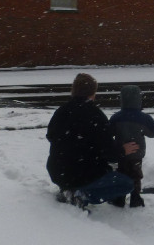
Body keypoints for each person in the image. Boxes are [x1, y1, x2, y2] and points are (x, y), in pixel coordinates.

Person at [46, 73, 138, 210]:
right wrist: (123, 150)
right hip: (82, 173)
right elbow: (108, 152)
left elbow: (50, 136)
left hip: (57, 170)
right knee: (126, 184)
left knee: (97, 170)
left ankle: (69, 189)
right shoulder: (95, 115)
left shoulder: (62, 110)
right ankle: (80, 195)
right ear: (93, 93)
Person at [108, 84, 154, 208]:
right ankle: (135, 197)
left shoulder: (116, 117)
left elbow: (108, 133)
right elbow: (153, 133)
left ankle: (119, 197)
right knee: (136, 175)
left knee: (121, 173)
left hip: (122, 152)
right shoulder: (144, 118)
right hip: (137, 153)